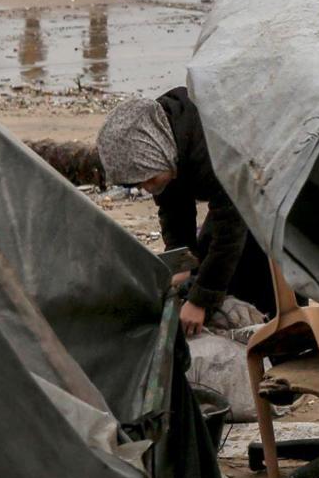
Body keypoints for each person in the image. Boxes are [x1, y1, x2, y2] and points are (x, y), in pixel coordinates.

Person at [96, 89, 275, 335]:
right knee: (205, 268)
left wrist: (200, 301)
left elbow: (231, 226)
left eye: (149, 180)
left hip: (280, 189)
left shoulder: (210, 147)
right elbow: (174, 211)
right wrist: (181, 262)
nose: (148, 189)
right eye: (141, 185)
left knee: (254, 273)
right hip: (240, 200)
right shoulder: (166, 143)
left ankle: (275, 341)